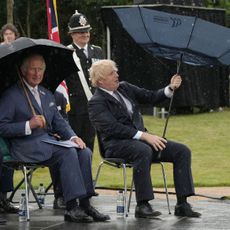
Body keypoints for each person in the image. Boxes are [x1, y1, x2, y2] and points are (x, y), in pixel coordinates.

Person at [0, 54, 110, 223]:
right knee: (67, 153)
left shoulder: (46, 93)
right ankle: (72, 207)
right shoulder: (11, 95)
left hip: (47, 143)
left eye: (40, 69)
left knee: (84, 151)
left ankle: (86, 204)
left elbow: (59, 122)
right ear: (23, 71)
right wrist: (28, 125)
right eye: (32, 69)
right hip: (24, 147)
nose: (37, 74)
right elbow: (2, 127)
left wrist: (73, 137)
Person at [88, 59, 201, 219]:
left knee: (182, 151)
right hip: (115, 145)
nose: (116, 75)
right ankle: (143, 205)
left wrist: (170, 88)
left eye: (116, 71)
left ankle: (182, 204)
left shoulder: (125, 87)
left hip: (142, 142)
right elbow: (112, 128)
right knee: (143, 150)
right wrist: (144, 136)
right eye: (112, 73)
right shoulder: (96, 102)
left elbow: (151, 97)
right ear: (100, 81)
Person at [65, 10, 104, 152]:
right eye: (81, 32)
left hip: (94, 107)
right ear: (72, 34)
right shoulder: (66, 53)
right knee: (75, 147)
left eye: (87, 31)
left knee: (90, 145)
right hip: (75, 109)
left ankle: (87, 175)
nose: (85, 35)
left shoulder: (98, 51)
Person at [0, 22, 19, 214]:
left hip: (8, 118)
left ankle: (4, 198)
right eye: (5, 33)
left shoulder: (17, 62)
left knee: (8, 156)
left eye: (10, 33)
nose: (8, 36)